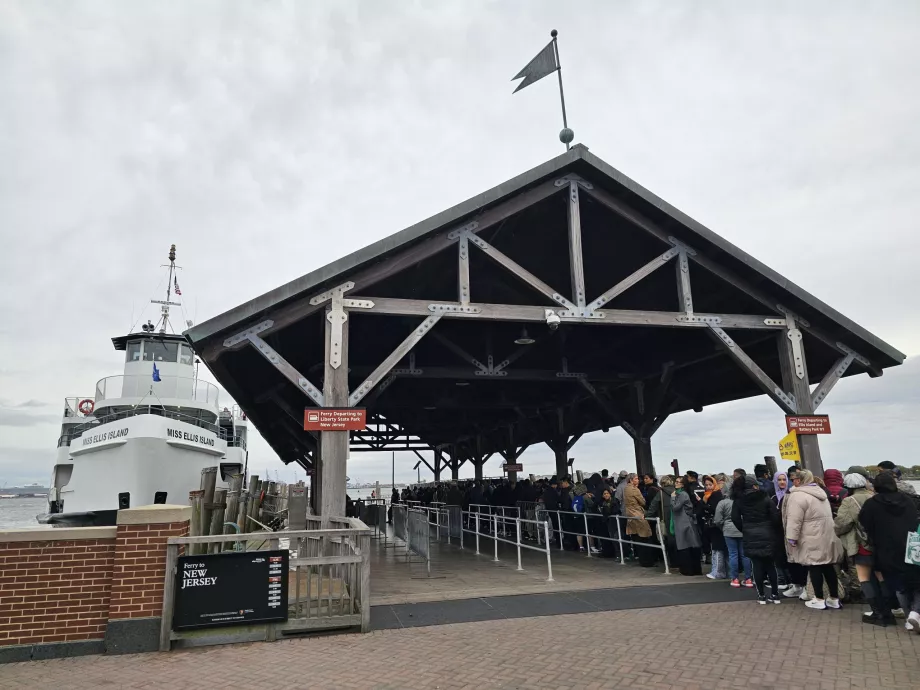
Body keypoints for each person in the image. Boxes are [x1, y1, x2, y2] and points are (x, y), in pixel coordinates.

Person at [859, 470, 920, 632]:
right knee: (915, 582)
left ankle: (907, 616)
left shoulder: (872, 504)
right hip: (910, 547)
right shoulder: (907, 500)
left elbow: (864, 523)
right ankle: (913, 614)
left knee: (898, 585)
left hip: (885, 549)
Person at [783, 469, 844, 610]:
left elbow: (794, 519)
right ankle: (834, 598)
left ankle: (819, 598)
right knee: (828, 566)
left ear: (798, 480)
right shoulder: (820, 492)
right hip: (827, 534)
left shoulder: (797, 496)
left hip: (810, 535)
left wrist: (791, 538)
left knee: (814, 565)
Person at [835, 472, 883, 619]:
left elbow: (841, 524)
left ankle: (876, 611)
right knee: (880, 577)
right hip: (879, 544)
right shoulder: (874, 496)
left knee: (864, 578)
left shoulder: (849, 501)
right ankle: (889, 608)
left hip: (861, 544)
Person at [731, 475, 782, 604]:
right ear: (754, 486)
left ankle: (761, 596)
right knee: (770, 565)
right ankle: (775, 594)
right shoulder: (765, 497)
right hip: (767, 532)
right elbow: (775, 516)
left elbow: (735, 518)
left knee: (757, 565)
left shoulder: (739, 500)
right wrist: (772, 528)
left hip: (750, 533)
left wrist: (744, 529)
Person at [714, 477, 752, 587]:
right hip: (743, 529)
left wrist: (723, 527)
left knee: (733, 554)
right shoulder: (744, 501)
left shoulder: (722, 503)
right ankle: (748, 579)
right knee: (745, 555)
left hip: (728, 530)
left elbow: (717, 520)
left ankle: (735, 578)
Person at [671, 476, 702, 576]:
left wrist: (672, 498)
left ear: (683, 484)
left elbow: (675, 508)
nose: (676, 483)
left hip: (683, 523)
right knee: (689, 546)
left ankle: (687, 569)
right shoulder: (683, 494)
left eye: (678, 482)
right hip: (686, 521)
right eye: (676, 481)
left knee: (685, 546)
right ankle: (693, 569)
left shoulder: (681, 494)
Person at [624, 473, 655, 566]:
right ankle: (648, 561)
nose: (638, 480)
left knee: (636, 538)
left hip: (630, 514)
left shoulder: (626, 489)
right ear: (631, 480)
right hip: (638, 513)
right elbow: (643, 502)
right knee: (645, 536)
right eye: (636, 479)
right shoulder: (635, 489)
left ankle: (642, 560)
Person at [770, 471, 793, 590]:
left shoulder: (791, 495)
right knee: (778, 555)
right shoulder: (773, 497)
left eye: (784, 479)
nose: (782, 482)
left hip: (789, 530)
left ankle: (792, 580)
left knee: (789, 556)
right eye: (779, 480)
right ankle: (782, 580)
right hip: (777, 531)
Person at [701, 475, 727, 579]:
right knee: (716, 549)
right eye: (706, 485)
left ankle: (718, 572)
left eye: (710, 484)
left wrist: (703, 504)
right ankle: (718, 571)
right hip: (712, 525)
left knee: (717, 549)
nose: (708, 487)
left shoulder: (716, 495)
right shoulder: (708, 495)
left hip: (716, 525)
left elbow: (713, 509)